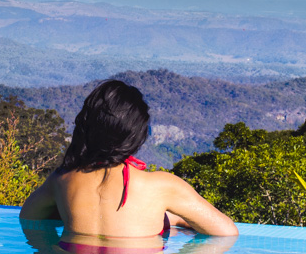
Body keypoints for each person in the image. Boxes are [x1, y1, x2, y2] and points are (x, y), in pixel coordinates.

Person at [19, 80, 238, 241]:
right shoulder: (163, 186)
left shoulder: (62, 179)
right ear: (136, 134)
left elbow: (29, 219)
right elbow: (227, 232)